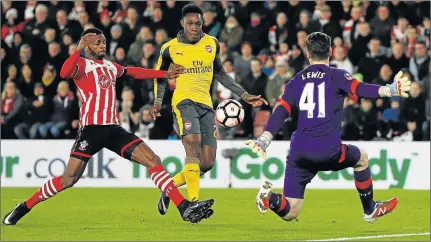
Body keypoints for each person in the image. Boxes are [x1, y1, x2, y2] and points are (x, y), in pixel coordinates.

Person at [3, 28, 214, 226]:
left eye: (104, 41)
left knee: (153, 160)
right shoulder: (82, 65)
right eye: (97, 42)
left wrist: (164, 74)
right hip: (91, 130)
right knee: (68, 179)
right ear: (87, 45)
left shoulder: (111, 66)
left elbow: (133, 71)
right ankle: (24, 207)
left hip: (113, 130)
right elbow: (64, 73)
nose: (102, 45)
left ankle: (183, 206)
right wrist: (77, 49)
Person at [245, 32, 411, 223]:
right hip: (328, 150)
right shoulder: (336, 75)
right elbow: (361, 88)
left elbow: (282, 111)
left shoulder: (295, 81)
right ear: (330, 51)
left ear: (307, 53)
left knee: (291, 212)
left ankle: (270, 198)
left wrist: (265, 138)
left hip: (299, 153)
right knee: (361, 158)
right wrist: (389, 90)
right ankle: (370, 210)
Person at [153, 4, 267, 215]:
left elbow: (221, 74)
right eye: (190, 23)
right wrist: (158, 101)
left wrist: (244, 95)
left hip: (206, 105)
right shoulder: (170, 48)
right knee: (193, 143)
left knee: (206, 163)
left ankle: (168, 189)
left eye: (198, 23)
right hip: (183, 102)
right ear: (182, 23)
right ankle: (193, 201)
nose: (194, 27)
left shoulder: (212, 43)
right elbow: (160, 76)